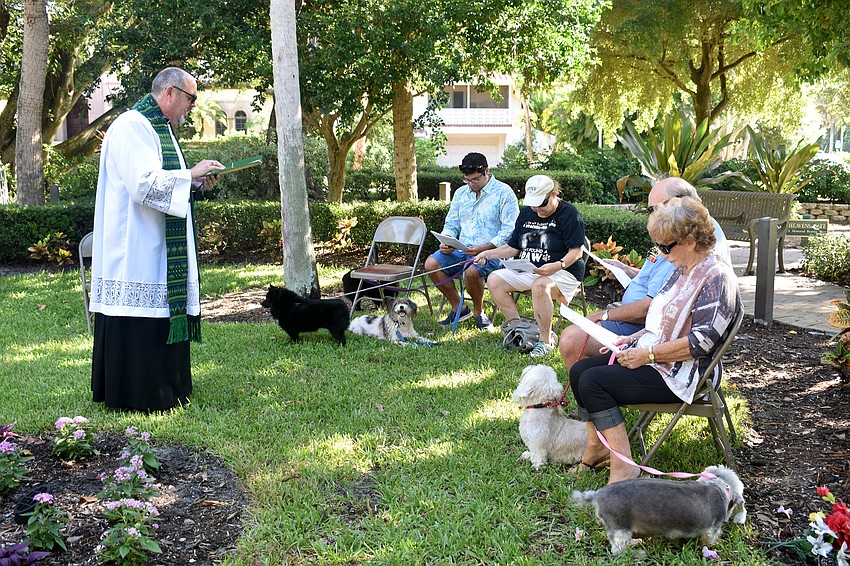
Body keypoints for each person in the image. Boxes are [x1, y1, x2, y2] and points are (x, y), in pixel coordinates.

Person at [567, 196, 740, 484]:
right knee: (579, 371)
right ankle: (598, 447)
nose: (660, 253)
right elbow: (659, 318)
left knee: (592, 382)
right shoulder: (684, 266)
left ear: (691, 240)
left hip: (687, 373)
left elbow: (702, 343)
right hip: (662, 359)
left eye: (665, 247)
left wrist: (647, 355)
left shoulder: (716, 276)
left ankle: (624, 466)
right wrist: (633, 340)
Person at [89, 67, 225, 412]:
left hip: (154, 245)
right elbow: (143, 185)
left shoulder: (156, 127)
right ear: (170, 93)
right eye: (190, 99)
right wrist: (188, 175)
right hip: (135, 248)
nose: (191, 107)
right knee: (140, 321)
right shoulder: (133, 126)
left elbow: (166, 179)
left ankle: (167, 388)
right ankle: (142, 395)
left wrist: (194, 182)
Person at [559, 177, 731, 370]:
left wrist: (604, 315)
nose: (652, 216)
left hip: (653, 330)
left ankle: (595, 388)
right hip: (645, 327)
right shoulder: (680, 235)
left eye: (654, 209)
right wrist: (627, 271)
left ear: (678, 204)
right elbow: (660, 283)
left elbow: (652, 308)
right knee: (586, 373)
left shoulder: (686, 243)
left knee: (571, 339)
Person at [473, 175, 585, 358]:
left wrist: (557, 266)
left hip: (564, 271)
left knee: (540, 285)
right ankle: (519, 329)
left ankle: (545, 340)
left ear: (554, 194)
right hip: (531, 269)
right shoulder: (526, 213)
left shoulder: (569, 214)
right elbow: (513, 247)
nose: (537, 209)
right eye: (534, 204)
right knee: (494, 279)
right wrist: (488, 253)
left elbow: (577, 252)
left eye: (542, 204)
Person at [425, 152, 519, 331]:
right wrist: (447, 241)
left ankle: (479, 312)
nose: (471, 184)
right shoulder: (461, 193)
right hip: (462, 249)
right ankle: (459, 308)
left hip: (494, 253)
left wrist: (485, 248)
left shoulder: (504, 193)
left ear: (486, 171)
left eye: (475, 179)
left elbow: (510, 230)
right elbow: (451, 223)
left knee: (472, 272)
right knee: (431, 263)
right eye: (467, 180)